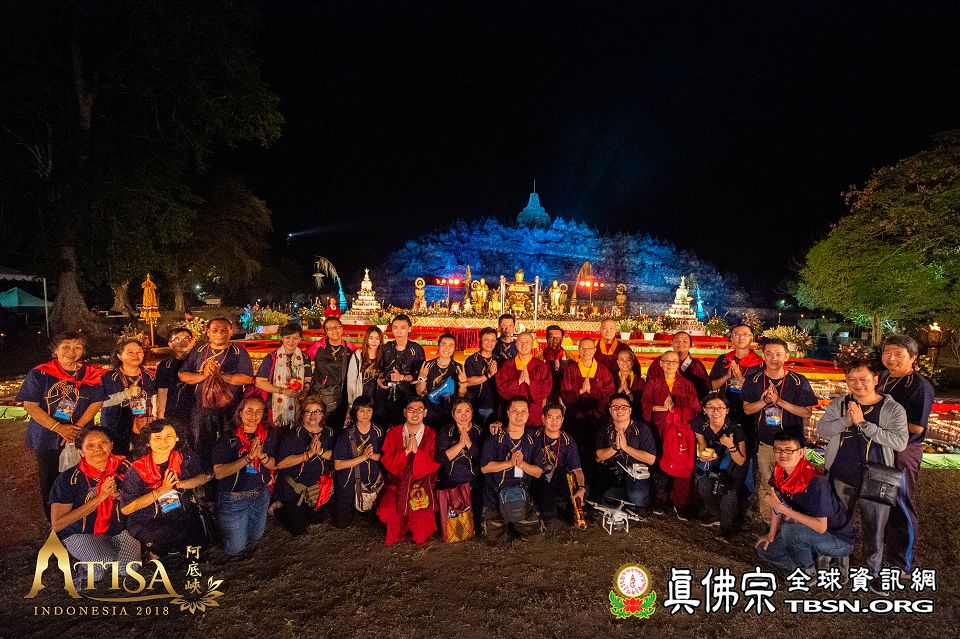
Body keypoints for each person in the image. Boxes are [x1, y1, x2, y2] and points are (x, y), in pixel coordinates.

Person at [817, 360, 908, 584]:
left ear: (875, 379)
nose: (857, 384)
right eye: (852, 379)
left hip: (878, 477)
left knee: (875, 527)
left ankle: (873, 572)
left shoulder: (892, 408)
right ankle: (834, 566)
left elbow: (900, 442)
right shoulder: (840, 404)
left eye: (863, 379)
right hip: (842, 472)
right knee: (836, 521)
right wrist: (846, 421)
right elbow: (823, 430)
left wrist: (864, 424)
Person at [19, 331, 105, 517]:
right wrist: (58, 428)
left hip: (81, 434)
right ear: (55, 350)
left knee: (84, 474)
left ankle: (82, 513)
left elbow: (96, 402)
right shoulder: (40, 373)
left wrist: (77, 429)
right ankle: (56, 520)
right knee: (50, 477)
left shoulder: (90, 374)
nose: (72, 351)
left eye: (77, 347)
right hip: (47, 435)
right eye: (65, 347)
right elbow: (30, 405)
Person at [49, 426, 139, 587]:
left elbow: (140, 498)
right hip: (81, 533)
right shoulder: (68, 479)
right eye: (90, 446)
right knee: (101, 564)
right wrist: (101, 497)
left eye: (103, 443)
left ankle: (106, 551)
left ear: (111, 445)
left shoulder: (126, 468)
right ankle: (85, 566)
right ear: (81, 451)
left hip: (119, 529)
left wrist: (121, 496)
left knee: (129, 568)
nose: (98, 448)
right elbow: (58, 524)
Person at [756, 431, 853, 577]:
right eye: (778, 450)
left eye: (789, 450)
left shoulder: (816, 482)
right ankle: (806, 564)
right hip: (805, 530)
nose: (783, 454)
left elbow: (821, 527)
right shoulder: (780, 472)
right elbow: (777, 503)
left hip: (836, 538)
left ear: (801, 453)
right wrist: (771, 534)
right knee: (765, 550)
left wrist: (782, 509)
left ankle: (807, 572)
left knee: (790, 530)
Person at [741, 337, 818, 522]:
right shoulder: (754, 379)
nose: (773, 358)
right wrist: (765, 401)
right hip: (766, 441)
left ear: (786, 356)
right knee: (766, 480)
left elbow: (807, 412)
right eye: (769, 354)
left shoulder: (798, 381)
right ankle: (768, 519)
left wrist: (779, 402)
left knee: (793, 481)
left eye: (778, 354)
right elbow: (747, 409)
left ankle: (791, 519)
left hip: (792, 444)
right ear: (763, 356)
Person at [878, 334, 934, 573]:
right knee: (882, 501)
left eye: (899, 354)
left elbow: (917, 427)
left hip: (904, 450)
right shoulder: (884, 377)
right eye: (887, 353)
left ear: (913, 357)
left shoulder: (919, 386)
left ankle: (902, 561)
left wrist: (878, 421)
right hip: (883, 446)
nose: (891, 358)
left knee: (900, 504)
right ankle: (885, 551)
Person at [120, 420, 211, 557]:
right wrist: (162, 489)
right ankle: (154, 550)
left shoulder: (185, 457)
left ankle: (171, 545)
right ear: (148, 442)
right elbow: (126, 509)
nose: (163, 442)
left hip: (180, 512)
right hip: (148, 519)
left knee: (199, 546)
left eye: (169, 436)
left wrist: (180, 484)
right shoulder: (137, 469)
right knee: (171, 535)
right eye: (157, 438)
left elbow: (204, 476)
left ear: (177, 437)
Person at [178, 318, 255, 467]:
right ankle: (205, 474)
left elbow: (247, 378)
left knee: (230, 443)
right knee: (201, 444)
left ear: (231, 332)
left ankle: (228, 473)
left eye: (224, 330)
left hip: (231, 407)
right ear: (208, 333)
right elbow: (182, 375)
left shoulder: (239, 352)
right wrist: (204, 376)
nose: (219, 334)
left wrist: (220, 375)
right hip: (202, 407)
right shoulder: (199, 350)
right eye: (215, 330)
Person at [211, 396, 278, 555]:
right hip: (234, 499)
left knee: (256, 536)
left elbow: (275, 464)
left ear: (263, 414)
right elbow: (219, 473)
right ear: (240, 413)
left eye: (258, 411)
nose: (253, 415)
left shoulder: (268, 436)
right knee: (235, 549)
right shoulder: (228, 439)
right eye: (249, 411)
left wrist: (261, 456)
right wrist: (247, 458)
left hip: (260, 495)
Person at [642, 350, 701, 519]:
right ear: (660, 363)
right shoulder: (653, 382)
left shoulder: (687, 384)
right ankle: (660, 499)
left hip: (679, 432)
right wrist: (662, 408)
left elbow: (695, 408)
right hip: (658, 429)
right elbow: (645, 404)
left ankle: (680, 502)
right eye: (666, 361)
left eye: (674, 361)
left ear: (678, 364)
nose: (670, 364)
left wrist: (676, 411)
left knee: (681, 464)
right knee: (659, 463)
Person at [480, 397, 545, 544]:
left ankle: (518, 521)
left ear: (528, 415)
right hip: (495, 498)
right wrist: (509, 463)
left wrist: (522, 464)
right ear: (508, 413)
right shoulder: (495, 437)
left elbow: (538, 472)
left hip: (521, 496)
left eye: (523, 411)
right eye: (515, 411)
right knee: (494, 542)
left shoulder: (532, 440)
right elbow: (485, 468)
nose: (519, 415)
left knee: (536, 538)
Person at [377, 397, 440, 545]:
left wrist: (417, 452)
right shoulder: (394, 433)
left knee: (421, 527)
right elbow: (386, 460)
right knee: (387, 511)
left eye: (419, 410)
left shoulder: (431, 434)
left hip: (421, 485)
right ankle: (400, 529)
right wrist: (405, 452)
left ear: (425, 413)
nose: (415, 413)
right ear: (405, 412)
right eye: (411, 410)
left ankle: (414, 528)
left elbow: (434, 464)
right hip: (397, 484)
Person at [273, 397, 335, 535]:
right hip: (295, 487)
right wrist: (307, 454)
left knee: (317, 519)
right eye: (309, 411)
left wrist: (320, 452)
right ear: (302, 414)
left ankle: (305, 509)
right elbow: (280, 464)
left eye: (317, 411)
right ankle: (277, 509)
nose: (313, 415)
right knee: (298, 529)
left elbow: (337, 456)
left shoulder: (329, 433)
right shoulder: (293, 435)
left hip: (317, 486)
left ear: (323, 414)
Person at [694, 393, 748, 542]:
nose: (715, 411)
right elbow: (702, 443)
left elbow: (741, 460)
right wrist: (702, 454)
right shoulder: (700, 423)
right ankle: (716, 514)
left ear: (727, 410)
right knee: (703, 484)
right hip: (715, 458)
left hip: (734, 461)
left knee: (728, 492)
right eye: (710, 407)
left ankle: (726, 527)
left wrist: (730, 446)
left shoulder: (735, 429)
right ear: (704, 410)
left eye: (720, 407)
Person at [560, 337, 615, 481]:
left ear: (595, 350)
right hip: (575, 420)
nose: (586, 351)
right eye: (583, 348)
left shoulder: (603, 370)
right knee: (575, 450)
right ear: (578, 350)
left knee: (594, 452)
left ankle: (593, 482)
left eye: (589, 348)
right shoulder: (571, 370)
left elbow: (610, 394)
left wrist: (592, 391)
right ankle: (576, 482)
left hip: (597, 419)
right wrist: (580, 391)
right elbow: (565, 393)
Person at [595, 393, 657, 513]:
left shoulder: (642, 429)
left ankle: (641, 496)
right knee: (607, 501)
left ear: (630, 410)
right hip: (615, 474)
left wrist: (626, 447)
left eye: (624, 407)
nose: (619, 410)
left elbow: (651, 459)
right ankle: (623, 495)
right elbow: (599, 456)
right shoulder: (604, 429)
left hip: (637, 474)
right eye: (615, 407)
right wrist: (615, 448)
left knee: (637, 499)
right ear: (610, 410)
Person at [333, 396, 385, 529]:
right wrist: (363, 457)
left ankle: (364, 507)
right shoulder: (346, 434)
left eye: (369, 410)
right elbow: (338, 465)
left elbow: (384, 457)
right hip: (349, 482)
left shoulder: (378, 431)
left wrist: (371, 456)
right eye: (362, 411)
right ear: (355, 412)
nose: (365, 414)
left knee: (374, 519)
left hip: (370, 481)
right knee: (342, 523)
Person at [708, 324, 764, 447]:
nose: (741, 337)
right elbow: (711, 386)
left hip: (749, 412)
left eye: (745, 334)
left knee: (747, 446)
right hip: (724, 410)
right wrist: (726, 376)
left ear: (752, 337)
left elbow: (761, 391)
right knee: (721, 446)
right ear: (731, 338)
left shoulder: (760, 363)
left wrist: (741, 379)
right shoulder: (723, 359)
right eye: (736, 334)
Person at [99, 338, 158, 454]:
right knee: (119, 456)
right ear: (119, 356)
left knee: (141, 456)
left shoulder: (149, 376)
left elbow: (154, 399)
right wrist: (125, 394)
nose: (135, 355)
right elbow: (100, 402)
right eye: (130, 352)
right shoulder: (109, 377)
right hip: (115, 426)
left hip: (142, 427)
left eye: (139, 351)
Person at [435, 398, 485, 533]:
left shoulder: (479, 430)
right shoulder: (447, 431)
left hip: (474, 483)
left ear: (472, 413)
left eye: (467, 411)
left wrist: (469, 445)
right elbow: (440, 459)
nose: (464, 415)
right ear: (453, 414)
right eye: (459, 411)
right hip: (451, 483)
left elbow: (484, 461)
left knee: (475, 523)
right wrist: (460, 445)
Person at [531, 403, 586, 524]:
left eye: (558, 417)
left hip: (559, 477)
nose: (554, 422)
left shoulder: (568, 440)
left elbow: (577, 469)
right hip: (538, 478)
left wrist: (582, 488)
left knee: (583, 492)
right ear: (543, 419)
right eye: (550, 417)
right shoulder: (533, 436)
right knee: (548, 514)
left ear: (563, 419)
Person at [255, 323, 312, 428]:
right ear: (282, 338)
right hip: (274, 406)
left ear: (300, 339)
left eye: (295, 338)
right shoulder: (271, 358)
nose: (291, 341)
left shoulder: (305, 357)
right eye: (287, 337)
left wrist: (305, 390)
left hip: (298, 406)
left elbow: (307, 378)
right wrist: (282, 391)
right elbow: (259, 382)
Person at [495, 331, 552, 428]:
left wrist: (531, 383)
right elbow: (501, 386)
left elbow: (546, 388)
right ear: (516, 344)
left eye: (527, 342)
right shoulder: (507, 365)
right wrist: (518, 382)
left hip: (533, 414)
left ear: (532, 344)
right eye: (521, 342)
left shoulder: (541, 366)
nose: (524, 345)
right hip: (513, 414)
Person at [378, 314, 426, 427]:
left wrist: (403, 377)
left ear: (409, 329)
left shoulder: (416, 349)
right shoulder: (386, 348)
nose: (398, 331)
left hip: (408, 398)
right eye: (395, 327)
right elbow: (380, 370)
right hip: (386, 396)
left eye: (402, 328)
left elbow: (420, 376)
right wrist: (379, 380)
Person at [310, 316, 354, 432]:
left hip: (341, 396)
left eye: (337, 327)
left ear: (342, 328)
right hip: (321, 395)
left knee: (338, 429)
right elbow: (302, 362)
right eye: (329, 328)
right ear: (325, 332)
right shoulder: (317, 347)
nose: (334, 330)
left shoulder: (350, 347)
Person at [416, 333, 467, 428]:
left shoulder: (458, 368)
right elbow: (420, 392)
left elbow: (461, 395)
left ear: (454, 348)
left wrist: (463, 383)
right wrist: (422, 377)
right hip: (430, 411)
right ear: (438, 346)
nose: (447, 348)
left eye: (451, 345)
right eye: (444, 344)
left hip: (450, 411)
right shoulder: (427, 365)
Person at [645, 331, 710, 400]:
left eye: (685, 341)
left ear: (691, 344)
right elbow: (650, 383)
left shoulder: (697, 364)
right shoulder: (660, 361)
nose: (680, 344)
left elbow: (705, 388)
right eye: (677, 341)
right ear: (672, 343)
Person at [155, 327, 196, 428]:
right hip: (174, 411)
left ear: (193, 342)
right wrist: (160, 416)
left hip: (197, 411)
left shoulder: (200, 361)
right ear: (170, 344)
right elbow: (162, 391)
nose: (183, 342)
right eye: (177, 339)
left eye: (186, 338)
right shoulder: (165, 365)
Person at [463, 327, 499, 426]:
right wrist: (488, 375)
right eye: (487, 340)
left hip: (494, 405)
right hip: (476, 405)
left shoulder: (498, 359)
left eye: (493, 340)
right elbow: (468, 382)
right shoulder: (472, 360)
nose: (490, 343)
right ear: (480, 340)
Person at [346, 325, 384, 410]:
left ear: (380, 340)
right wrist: (351, 404)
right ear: (366, 339)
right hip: (361, 398)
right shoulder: (358, 356)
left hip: (378, 400)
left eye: (377, 338)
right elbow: (351, 381)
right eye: (371, 338)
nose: (374, 341)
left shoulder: (383, 356)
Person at [540, 324, 567, 402]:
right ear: (546, 339)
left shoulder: (569, 356)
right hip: (544, 397)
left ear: (562, 339)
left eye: (558, 338)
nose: (555, 340)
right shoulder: (539, 357)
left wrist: (564, 362)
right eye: (552, 337)